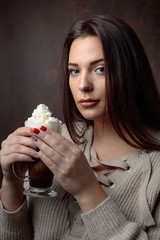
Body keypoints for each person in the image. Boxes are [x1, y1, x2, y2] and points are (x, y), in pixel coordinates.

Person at [0, 14, 160, 240]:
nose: (83, 85)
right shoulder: (55, 139)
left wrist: (87, 190)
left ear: (131, 73)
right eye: (74, 71)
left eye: (100, 69)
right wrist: (11, 183)